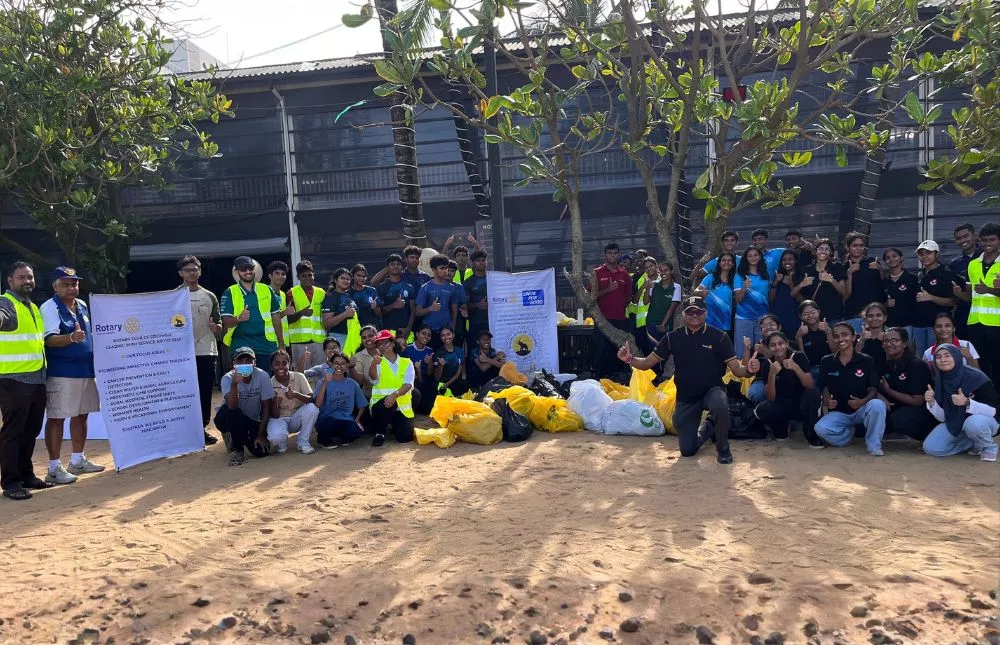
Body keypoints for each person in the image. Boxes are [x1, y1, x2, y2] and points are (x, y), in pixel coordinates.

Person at [618, 296, 762, 464]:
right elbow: (647, 363)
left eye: (699, 311)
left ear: (706, 313)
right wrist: (629, 359)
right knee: (687, 451)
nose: (695, 315)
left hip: (712, 391)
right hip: (686, 398)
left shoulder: (719, 337)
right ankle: (709, 426)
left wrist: (749, 371)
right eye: (690, 312)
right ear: (683, 315)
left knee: (720, 404)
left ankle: (723, 448)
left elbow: (737, 370)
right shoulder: (672, 338)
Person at [40, 266, 104, 485]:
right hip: (62, 372)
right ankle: (53, 467)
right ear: (55, 286)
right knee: (57, 418)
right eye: (66, 284)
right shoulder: (49, 307)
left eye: (74, 283)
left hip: (85, 370)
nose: (71, 288)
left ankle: (77, 460)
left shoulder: (83, 305)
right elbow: (49, 340)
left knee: (82, 414)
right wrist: (71, 338)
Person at [0, 263, 50, 501]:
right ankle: (10, 482)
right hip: (13, 380)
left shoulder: (31, 306)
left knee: (31, 431)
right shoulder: (6, 303)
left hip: (37, 378)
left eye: (30, 277)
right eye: (21, 278)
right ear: (10, 280)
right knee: (13, 432)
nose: (27, 281)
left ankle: (26, 475)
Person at [814, 322, 887, 455]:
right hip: (839, 411)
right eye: (836, 336)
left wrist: (863, 401)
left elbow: (874, 387)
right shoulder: (827, 361)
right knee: (820, 428)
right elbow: (822, 385)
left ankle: (874, 445)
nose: (841, 339)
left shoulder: (866, 360)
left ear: (854, 337)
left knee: (877, 405)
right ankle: (846, 437)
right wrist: (825, 399)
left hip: (862, 409)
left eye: (845, 335)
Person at [922, 343, 998, 462]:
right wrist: (932, 402)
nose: (943, 360)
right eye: (938, 357)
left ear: (957, 356)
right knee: (931, 448)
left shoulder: (976, 377)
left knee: (973, 423)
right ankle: (973, 443)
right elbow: (943, 418)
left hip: (986, 422)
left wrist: (968, 403)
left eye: (947, 355)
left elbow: (994, 410)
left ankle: (988, 446)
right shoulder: (940, 380)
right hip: (957, 422)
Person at [177, 256, 222, 446]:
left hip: (206, 350)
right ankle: (184, 431)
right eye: (188, 270)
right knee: (185, 392)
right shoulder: (173, 296)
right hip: (181, 354)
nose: (192, 273)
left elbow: (219, 322)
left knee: (204, 391)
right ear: (180, 273)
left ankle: (201, 429)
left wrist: (216, 327)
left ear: (200, 271)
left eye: (195, 269)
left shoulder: (209, 296)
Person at [752, 331, 822, 445]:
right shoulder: (767, 365)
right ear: (768, 348)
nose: (778, 347)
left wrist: (796, 368)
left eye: (781, 343)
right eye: (773, 345)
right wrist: (772, 375)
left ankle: (811, 435)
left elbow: (810, 385)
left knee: (813, 393)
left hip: (801, 403)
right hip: (782, 404)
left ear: (787, 344)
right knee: (762, 409)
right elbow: (770, 397)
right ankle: (781, 430)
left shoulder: (799, 356)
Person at [214, 347, 274, 466]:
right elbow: (232, 405)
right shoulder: (227, 378)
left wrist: (260, 435)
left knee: (262, 452)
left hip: (251, 420)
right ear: (234, 364)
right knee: (234, 412)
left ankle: (239, 437)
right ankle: (237, 449)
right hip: (229, 416)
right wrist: (235, 384)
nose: (244, 364)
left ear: (254, 363)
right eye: (240, 362)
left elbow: (266, 407)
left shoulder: (263, 376)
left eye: (248, 361)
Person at [220, 256, 283, 366]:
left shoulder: (267, 289)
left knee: (266, 381)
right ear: (237, 272)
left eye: (250, 268)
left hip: (266, 346)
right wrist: (238, 319)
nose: (248, 272)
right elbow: (225, 321)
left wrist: (281, 344)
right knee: (244, 380)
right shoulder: (229, 292)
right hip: (242, 347)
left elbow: (276, 318)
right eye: (243, 269)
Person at [878, 327, 936, 442]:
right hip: (896, 406)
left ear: (904, 343)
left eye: (894, 340)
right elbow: (875, 387)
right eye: (886, 341)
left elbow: (917, 401)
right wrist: (879, 396)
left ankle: (928, 437)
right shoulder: (886, 364)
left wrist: (888, 391)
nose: (889, 344)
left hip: (920, 409)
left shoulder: (916, 365)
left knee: (899, 421)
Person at [590, 242, 633, 378]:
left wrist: (619, 306)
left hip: (620, 319)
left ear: (618, 254)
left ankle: (618, 381)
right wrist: (609, 290)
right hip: (602, 319)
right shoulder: (597, 273)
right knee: (602, 349)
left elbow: (628, 298)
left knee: (619, 350)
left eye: (615, 253)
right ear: (605, 255)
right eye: (609, 253)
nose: (612, 256)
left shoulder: (624, 274)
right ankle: (600, 379)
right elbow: (590, 297)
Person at [367, 330, 416, 446]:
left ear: (393, 343)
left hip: (401, 408)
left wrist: (395, 395)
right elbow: (372, 377)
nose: (382, 346)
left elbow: (408, 385)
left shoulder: (407, 362)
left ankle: (393, 425)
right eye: (379, 344)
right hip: (381, 406)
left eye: (385, 343)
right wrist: (374, 363)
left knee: (405, 438)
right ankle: (380, 433)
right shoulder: (377, 361)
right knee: (389, 404)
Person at [266, 349, 319, 454]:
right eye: (277, 364)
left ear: (289, 364)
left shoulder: (299, 376)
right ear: (272, 366)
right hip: (279, 418)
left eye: (284, 363)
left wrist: (296, 395)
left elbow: (311, 399)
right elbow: (274, 414)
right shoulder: (268, 384)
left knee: (313, 409)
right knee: (277, 438)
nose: (281, 367)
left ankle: (303, 442)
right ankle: (282, 444)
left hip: (296, 417)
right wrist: (275, 403)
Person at [966, 222, 1000, 382]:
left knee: (997, 364)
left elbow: (984, 290)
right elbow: (971, 294)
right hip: (975, 322)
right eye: (984, 240)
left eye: (992, 240)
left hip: (996, 324)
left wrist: (989, 290)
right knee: (979, 364)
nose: (988, 244)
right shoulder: (973, 264)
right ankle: (984, 399)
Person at [912, 240, 957, 359]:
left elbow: (951, 301)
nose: (924, 256)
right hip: (918, 325)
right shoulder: (920, 275)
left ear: (937, 254)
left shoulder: (947, 274)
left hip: (937, 326)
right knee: (922, 359)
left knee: (938, 357)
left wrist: (930, 297)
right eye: (921, 254)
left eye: (928, 253)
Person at [314, 352, 367, 448]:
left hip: (345, 420)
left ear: (347, 366)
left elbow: (362, 405)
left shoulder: (353, 383)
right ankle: (324, 440)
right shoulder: (322, 381)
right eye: (336, 363)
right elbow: (317, 404)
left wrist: (357, 419)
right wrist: (325, 383)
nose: (339, 366)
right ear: (331, 364)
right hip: (326, 420)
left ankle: (343, 438)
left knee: (355, 431)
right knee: (327, 424)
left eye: (342, 364)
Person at [286, 260, 327, 371]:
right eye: (304, 276)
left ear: (314, 275)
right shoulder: (291, 293)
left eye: (310, 275)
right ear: (298, 277)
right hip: (299, 342)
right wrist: (301, 313)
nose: (308, 278)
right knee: (301, 375)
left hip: (319, 341)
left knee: (320, 375)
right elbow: (287, 320)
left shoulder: (322, 293)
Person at [842, 232, 885, 332]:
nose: (858, 248)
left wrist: (880, 269)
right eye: (855, 245)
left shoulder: (872, 262)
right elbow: (844, 294)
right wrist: (849, 273)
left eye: (861, 245)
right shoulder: (842, 266)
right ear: (848, 247)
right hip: (854, 314)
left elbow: (883, 283)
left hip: (875, 316)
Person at [416, 254, 459, 349]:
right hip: (429, 332)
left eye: (446, 268)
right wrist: (430, 308)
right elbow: (418, 312)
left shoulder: (452, 288)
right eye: (442, 268)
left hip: (445, 333)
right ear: (434, 270)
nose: (445, 271)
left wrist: (452, 328)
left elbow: (454, 310)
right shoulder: (425, 288)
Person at [800, 238, 847, 322]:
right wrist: (802, 284)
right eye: (820, 248)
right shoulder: (807, 270)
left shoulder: (837, 267)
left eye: (827, 249)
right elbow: (803, 297)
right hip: (814, 319)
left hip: (834, 316)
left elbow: (844, 293)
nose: (823, 251)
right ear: (815, 251)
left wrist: (831, 280)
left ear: (831, 252)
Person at [734, 247, 770, 347]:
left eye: (755, 255)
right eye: (750, 256)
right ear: (745, 258)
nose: (753, 258)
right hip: (744, 318)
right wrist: (745, 287)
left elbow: (768, 296)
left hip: (763, 318)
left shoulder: (765, 274)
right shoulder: (739, 275)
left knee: (761, 352)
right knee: (743, 351)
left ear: (760, 257)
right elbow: (738, 299)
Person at [376, 254, 416, 344]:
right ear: (388, 267)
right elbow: (380, 312)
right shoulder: (382, 287)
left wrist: (408, 329)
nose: (396, 266)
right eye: (392, 264)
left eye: (398, 264)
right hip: (388, 331)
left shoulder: (409, 287)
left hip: (405, 330)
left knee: (407, 356)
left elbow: (413, 310)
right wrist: (394, 305)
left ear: (402, 267)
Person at [949, 223, 981, 338]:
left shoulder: (988, 256)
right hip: (964, 314)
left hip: (987, 312)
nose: (963, 240)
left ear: (975, 236)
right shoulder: (954, 264)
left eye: (965, 236)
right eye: (959, 238)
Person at [644, 260, 681, 352]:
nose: (663, 273)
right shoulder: (654, 284)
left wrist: (663, 324)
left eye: (666, 270)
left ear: (671, 271)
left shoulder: (676, 287)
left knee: (664, 351)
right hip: (651, 323)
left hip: (665, 325)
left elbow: (672, 308)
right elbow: (645, 302)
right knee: (652, 351)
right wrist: (647, 288)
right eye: (661, 270)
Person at [695, 251, 736, 334]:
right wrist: (701, 292)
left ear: (733, 264)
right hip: (709, 320)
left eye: (729, 260)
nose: (726, 262)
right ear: (719, 263)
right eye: (724, 260)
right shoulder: (710, 277)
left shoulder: (736, 279)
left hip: (726, 321)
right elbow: (696, 291)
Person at [882, 247, 919, 334]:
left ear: (901, 258)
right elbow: (879, 303)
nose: (891, 259)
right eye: (888, 258)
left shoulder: (912, 278)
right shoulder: (884, 281)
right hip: (889, 325)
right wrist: (886, 304)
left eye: (894, 256)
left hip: (908, 325)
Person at [404, 325, 438, 414]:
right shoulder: (407, 350)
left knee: (427, 410)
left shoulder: (430, 351)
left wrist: (430, 363)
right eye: (423, 334)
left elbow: (430, 374)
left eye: (429, 335)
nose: (426, 337)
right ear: (417, 334)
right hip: (412, 383)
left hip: (425, 383)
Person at [795, 300, 834, 377]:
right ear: (800, 316)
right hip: (811, 370)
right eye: (806, 314)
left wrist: (829, 332)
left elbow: (835, 351)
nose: (810, 316)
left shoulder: (828, 328)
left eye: (813, 312)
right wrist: (799, 337)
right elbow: (802, 359)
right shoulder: (800, 332)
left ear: (818, 312)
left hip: (830, 367)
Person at [769, 250, 804, 334]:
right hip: (779, 318)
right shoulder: (779, 276)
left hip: (795, 318)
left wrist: (791, 285)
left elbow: (802, 301)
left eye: (790, 259)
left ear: (795, 260)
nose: (787, 262)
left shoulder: (802, 276)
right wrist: (776, 282)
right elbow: (771, 299)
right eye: (784, 260)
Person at [322, 267, 357, 349]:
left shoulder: (348, 296)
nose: (346, 281)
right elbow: (326, 324)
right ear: (335, 280)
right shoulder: (331, 297)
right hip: (338, 337)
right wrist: (345, 314)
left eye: (348, 279)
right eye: (342, 278)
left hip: (352, 337)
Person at [464, 250, 490, 346]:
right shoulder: (468, 283)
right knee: (474, 352)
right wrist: (477, 305)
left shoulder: (495, 279)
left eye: (483, 260)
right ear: (473, 263)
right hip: (475, 323)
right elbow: (465, 305)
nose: (481, 263)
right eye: (478, 261)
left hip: (494, 322)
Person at [434, 326, 468, 397]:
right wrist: (440, 366)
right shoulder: (438, 353)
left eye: (448, 334)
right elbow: (436, 378)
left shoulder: (460, 351)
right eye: (443, 335)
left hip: (453, 382)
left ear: (453, 335)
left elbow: (458, 374)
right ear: (440, 338)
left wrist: (447, 385)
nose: (446, 337)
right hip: (441, 384)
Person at [856, 302, 888, 373]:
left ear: (885, 318)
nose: (875, 318)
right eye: (871, 316)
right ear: (866, 318)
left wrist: (885, 342)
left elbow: (895, 360)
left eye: (878, 315)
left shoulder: (891, 336)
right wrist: (862, 341)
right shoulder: (858, 337)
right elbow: (853, 359)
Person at [349, 325, 379, 398]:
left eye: (370, 336)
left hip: (391, 395)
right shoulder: (359, 356)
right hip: (369, 396)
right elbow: (359, 382)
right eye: (364, 338)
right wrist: (351, 367)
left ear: (377, 336)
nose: (367, 339)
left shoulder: (386, 350)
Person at [266, 261, 291, 350]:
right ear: (270, 276)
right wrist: (285, 312)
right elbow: (266, 317)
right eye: (277, 273)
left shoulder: (283, 294)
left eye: (283, 274)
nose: (280, 276)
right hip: (269, 340)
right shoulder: (264, 293)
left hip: (282, 341)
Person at [349, 264, 381, 329]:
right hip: (355, 329)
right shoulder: (347, 293)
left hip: (373, 329)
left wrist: (375, 308)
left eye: (364, 276)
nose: (361, 278)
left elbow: (379, 313)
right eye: (358, 275)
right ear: (352, 276)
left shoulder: (372, 291)